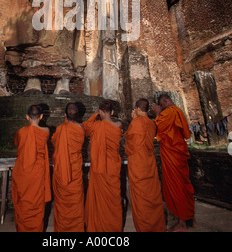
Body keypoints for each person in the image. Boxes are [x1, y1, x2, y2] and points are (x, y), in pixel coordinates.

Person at [152, 94, 195, 232]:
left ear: (165, 102)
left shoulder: (170, 112)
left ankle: (182, 224)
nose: (162, 108)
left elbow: (159, 127)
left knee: (178, 188)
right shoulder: (178, 111)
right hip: (178, 151)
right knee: (185, 186)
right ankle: (190, 219)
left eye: (162, 105)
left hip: (173, 155)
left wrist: (158, 114)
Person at [125, 99, 166, 232]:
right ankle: (157, 226)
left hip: (138, 165)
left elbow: (129, 143)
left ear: (137, 109)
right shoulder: (152, 124)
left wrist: (133, 120)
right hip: (149, 163)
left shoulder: (136, 123)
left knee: (142, 199)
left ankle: (145, 227)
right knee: (152, 195)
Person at [83, 100, 123, 232]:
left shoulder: (95, 126)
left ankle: (99, 227)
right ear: (112, 112)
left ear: (100, 111)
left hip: (99, 168)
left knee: (99, 199)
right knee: (114, 199)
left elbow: (85, 127)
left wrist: (94, 115)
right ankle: (114, 228)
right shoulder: (118, 125)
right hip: (112, 166)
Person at [11, 105, 51, 232]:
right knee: (36, 203)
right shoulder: (46, 131)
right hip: (37, 173)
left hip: (22, 172)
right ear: (41, 117)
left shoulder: (21, 132)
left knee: (23, 203)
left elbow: (18, 143)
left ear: (27, 117)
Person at [51, 103, 85, 232]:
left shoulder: (60, 129)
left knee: (63, 204)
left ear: (65, 115)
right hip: (74, 170)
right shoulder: (81, 129)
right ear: (78, 115)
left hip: (62, 170)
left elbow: (54, 142)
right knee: (75, 202)